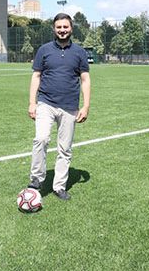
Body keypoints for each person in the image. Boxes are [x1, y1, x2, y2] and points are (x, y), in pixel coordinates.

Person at [27, 13, 91, 201]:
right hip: (45, 103)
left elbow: (85, 80)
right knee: (41, 139)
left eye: (65, 27)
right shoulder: (44, 50)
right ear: (54, 29)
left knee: (65, 148)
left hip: (70, 106)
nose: (62, 30)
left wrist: (85, 106)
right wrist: (32, 102)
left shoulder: (80, 52)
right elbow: (36, 76)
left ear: (71, 28)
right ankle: (36, 180)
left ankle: (59, 186)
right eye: (59, 27)